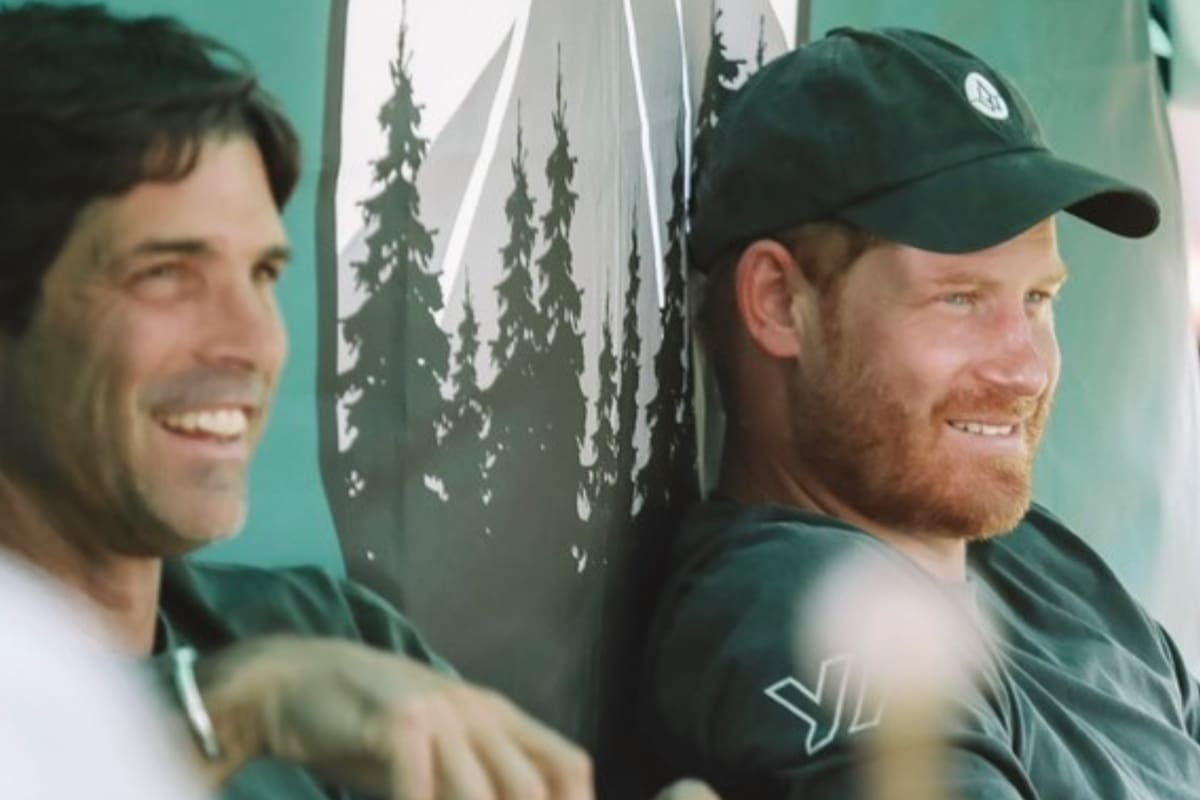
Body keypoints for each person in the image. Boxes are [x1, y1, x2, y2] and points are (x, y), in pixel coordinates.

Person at [0, 4, 708, 799]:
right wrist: (230, 713)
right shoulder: (277, 681)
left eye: (263, 275)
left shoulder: (323, 630)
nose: (250, 341)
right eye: (167, 271)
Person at [639, 26, 1200, 799]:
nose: (1026, 369)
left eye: (1037, 299)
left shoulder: (1042, 565)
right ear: (778, 303)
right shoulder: (798, 610)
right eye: (960, 299)